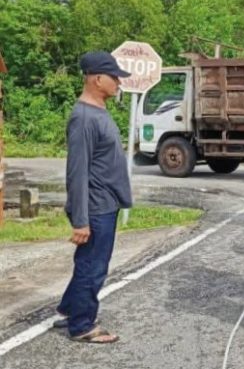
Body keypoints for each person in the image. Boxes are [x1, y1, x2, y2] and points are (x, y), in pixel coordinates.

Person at [55, 51, 133, 343]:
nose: (118, 83)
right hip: (95, 206)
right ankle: (82, 325)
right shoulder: (84, 118)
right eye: (114, 78)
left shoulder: (98, 111)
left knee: (89, 262)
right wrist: (80, 220)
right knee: (93, 266)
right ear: (97, 79)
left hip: (105, 203)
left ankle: (70, 309)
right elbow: (77, 172)